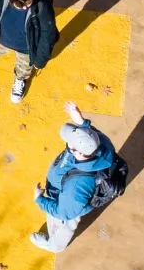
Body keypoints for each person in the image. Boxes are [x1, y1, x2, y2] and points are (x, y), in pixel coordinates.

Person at [33, 102, 118, 253]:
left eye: (69, 144)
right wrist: (81, 122)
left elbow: (64, 212)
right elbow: (92, 135)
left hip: (63, 200)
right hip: (66, 189)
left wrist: (40, 199)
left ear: (78, 153)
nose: (67, 143)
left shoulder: (77, 187)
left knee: (64, 223)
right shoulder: (101, 145)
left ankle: (53, 245)